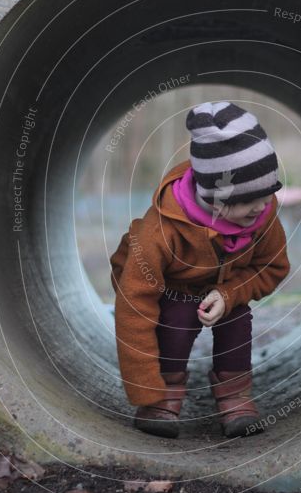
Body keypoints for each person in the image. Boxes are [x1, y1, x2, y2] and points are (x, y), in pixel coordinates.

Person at [110, 101, 290, 438]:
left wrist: (229, 293)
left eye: (268, 193)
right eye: (250, 198)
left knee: (236, 319)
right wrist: (146, 389)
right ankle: (166, 397)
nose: (263, 206)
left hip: (225, 288)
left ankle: (235, 395)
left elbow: (272, 266)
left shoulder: (262, 215)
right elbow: (134, 305)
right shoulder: (159, 231)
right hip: (171, 291)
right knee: (176, 319)